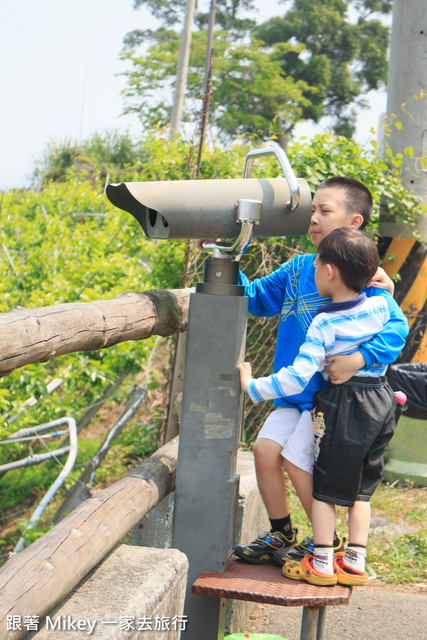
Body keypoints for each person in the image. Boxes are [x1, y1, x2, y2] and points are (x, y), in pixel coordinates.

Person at [232, 177, 408, 567]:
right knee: (263, 452)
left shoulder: (369, 279)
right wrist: (227, 261)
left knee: (301, 466)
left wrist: (358, 360)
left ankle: (324, 541)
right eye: (312, 210)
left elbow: (395, 329)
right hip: (292, 394)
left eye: (324, 211)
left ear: (354, 221)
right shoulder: (297, 269)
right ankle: (281, 532)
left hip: (329, 401)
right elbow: (256, 298)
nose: (313, 218)